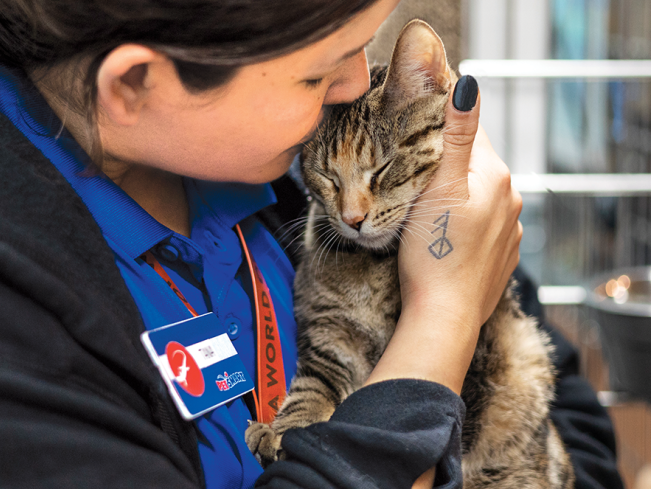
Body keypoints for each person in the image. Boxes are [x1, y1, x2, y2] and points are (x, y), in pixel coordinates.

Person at [0, 0, 622, 487]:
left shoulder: (267, 163)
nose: (354, 86)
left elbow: (566, 404)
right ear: (135, 82)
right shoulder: (25, 326)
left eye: (361, 49)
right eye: (317, 73)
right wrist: (445, 315)